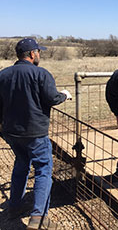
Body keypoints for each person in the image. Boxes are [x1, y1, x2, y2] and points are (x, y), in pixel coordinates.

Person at [0, 38, 72, 230]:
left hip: (11, 133)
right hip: (35, 133)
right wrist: (64, 95)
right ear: (32, 54)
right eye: (38, 52)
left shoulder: (3, 75)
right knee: (43, 169)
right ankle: (39, 217)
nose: (39, 54)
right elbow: (51, 98)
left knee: (21, 164)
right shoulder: (41, 74)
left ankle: (14, 207)